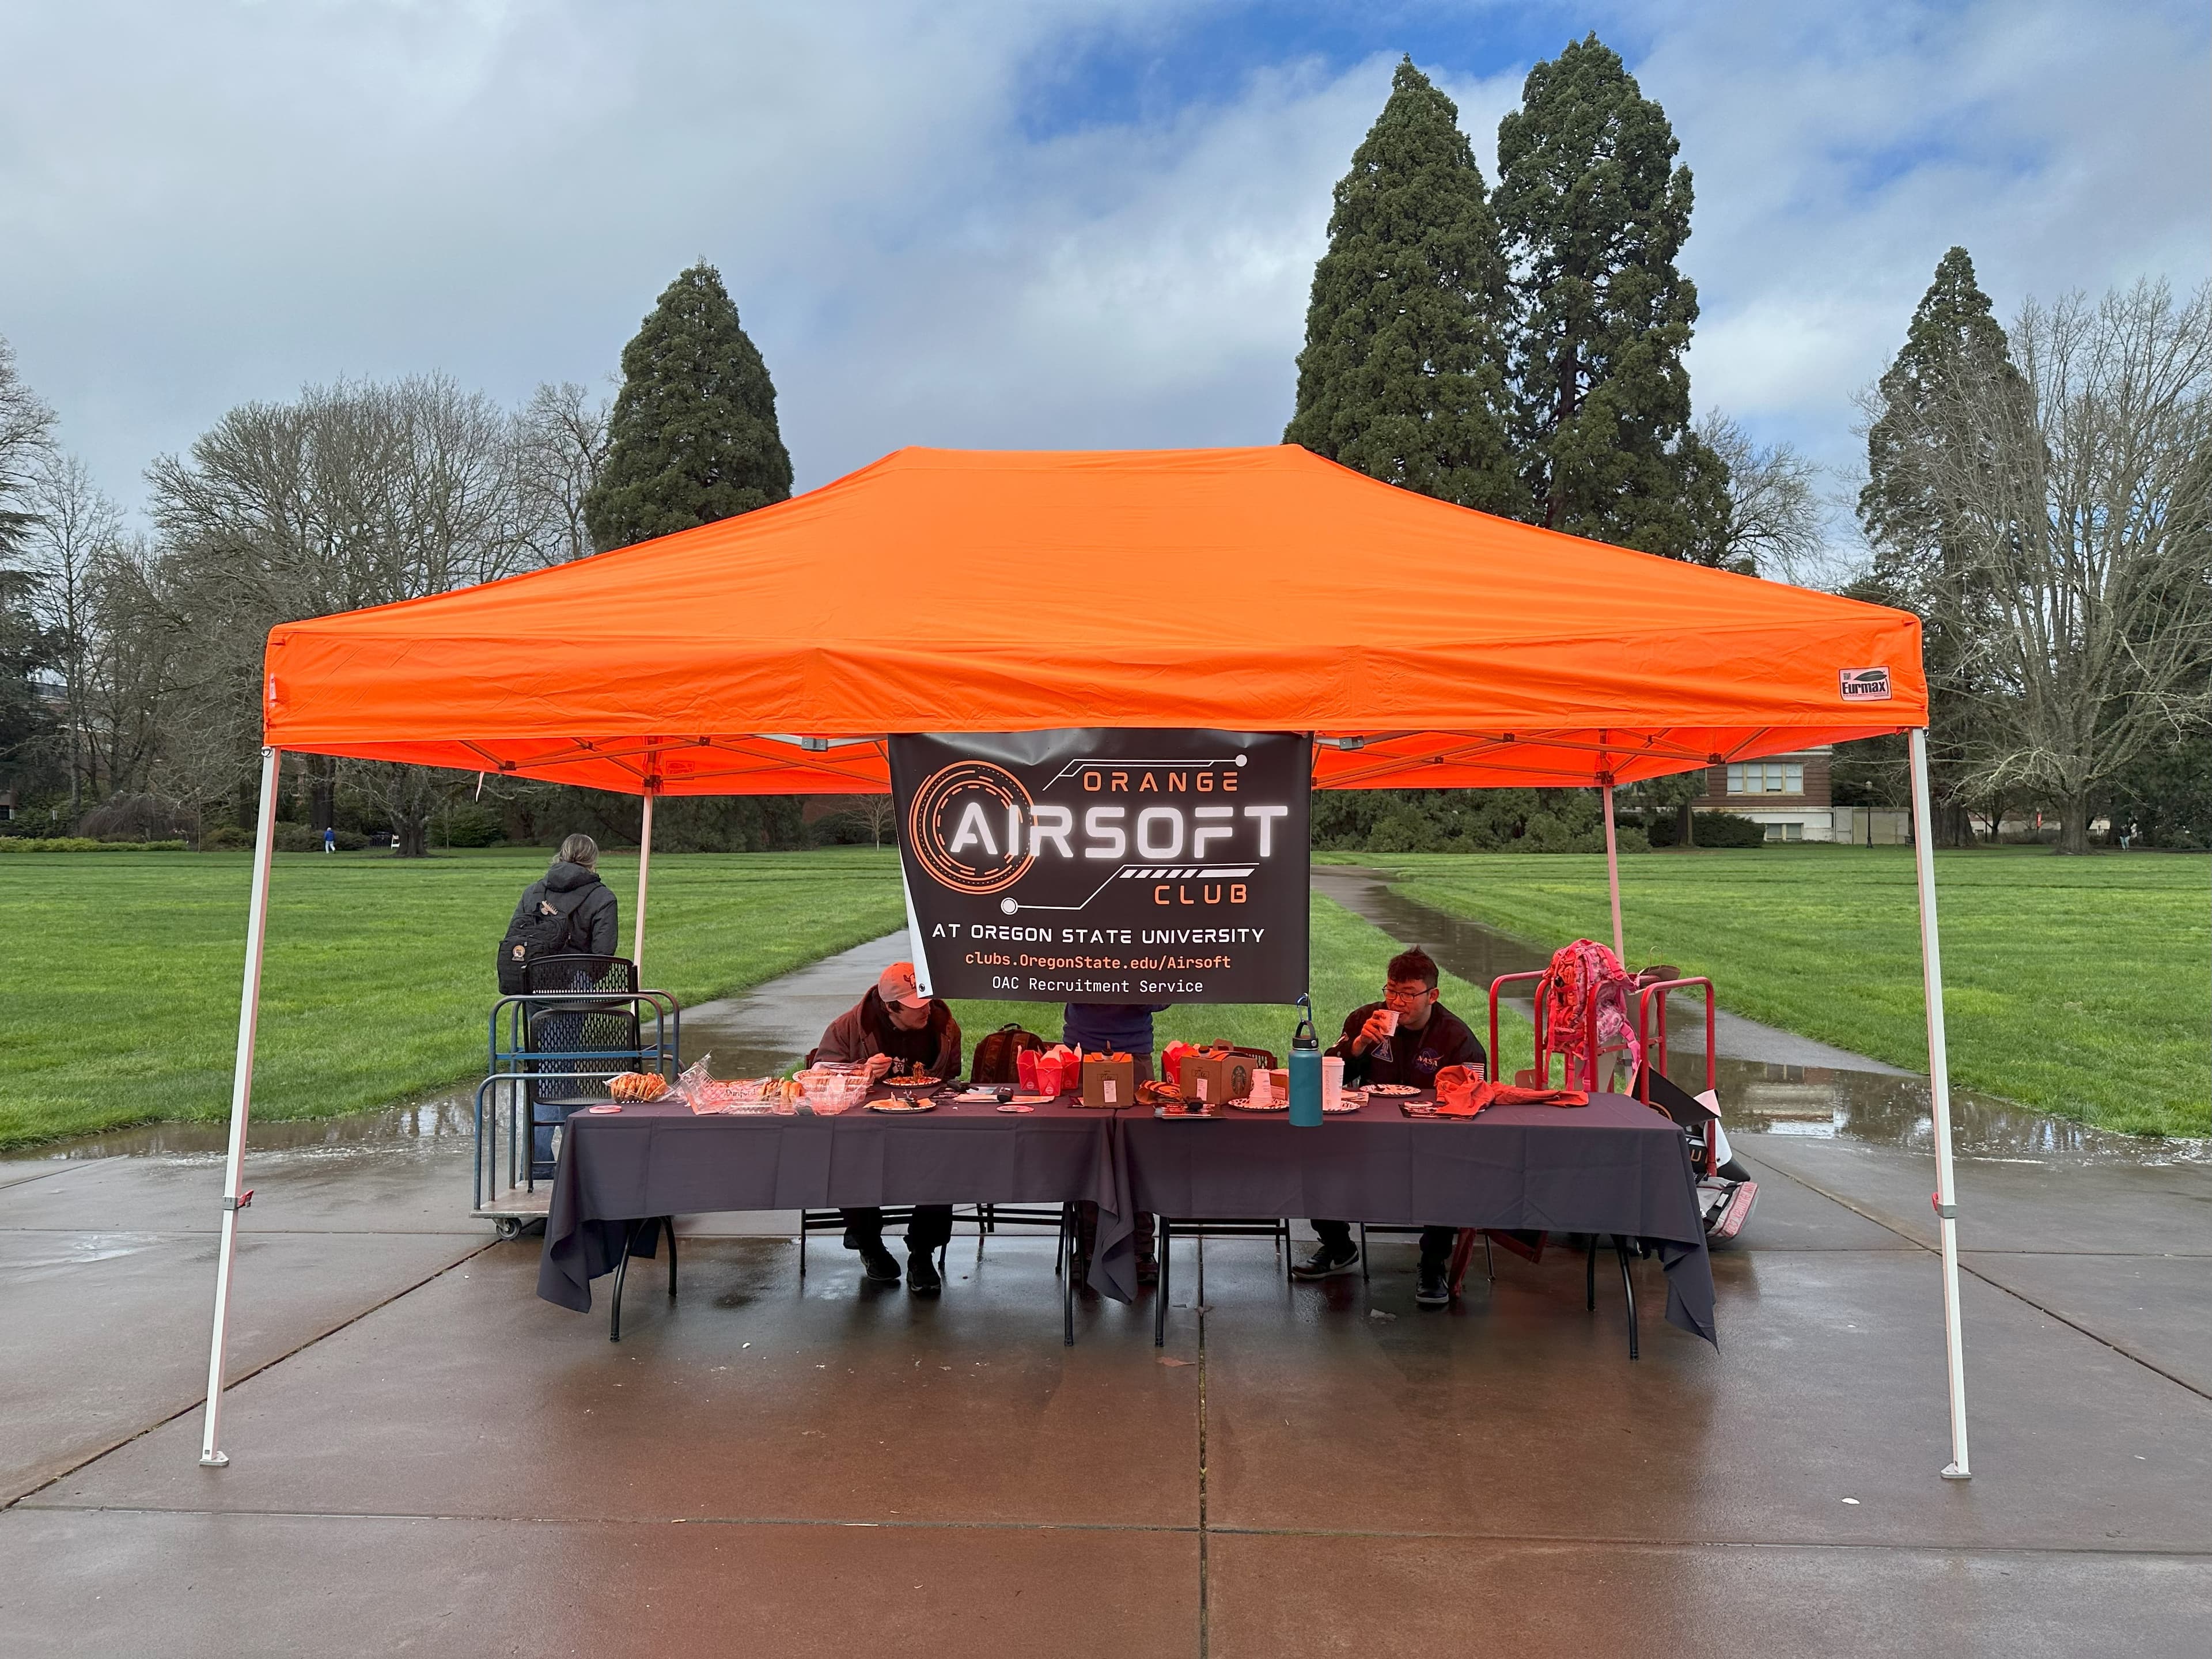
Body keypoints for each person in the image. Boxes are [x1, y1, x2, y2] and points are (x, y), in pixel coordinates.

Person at [1291, 947, 1486, 1308]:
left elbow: (1475, 1093)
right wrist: (1359, 1045)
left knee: (1450, 1170)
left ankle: (1432, 1266)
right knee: (1314, 1154)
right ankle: (1339, 1248)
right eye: (1391, 992)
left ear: (1433, 995)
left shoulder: (1456, 1037)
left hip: (1430, 1139)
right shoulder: (1365, 1019)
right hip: (1367, 1135)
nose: (1398, 1002)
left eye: (1409, 995)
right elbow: (1327, 1076)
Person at [815, 962, 962, 1295]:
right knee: (848, 1160)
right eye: (916, 1006)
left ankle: (922, 1253)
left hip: (926, 1121)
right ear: (890, 1007)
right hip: (866, 1125)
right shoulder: (848, 1027)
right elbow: (821, 1075)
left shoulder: (944, 1025)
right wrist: (861, 1071)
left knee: (946, 1162)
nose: (926, 1009)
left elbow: (951, 1074)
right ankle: (869, 1245)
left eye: (927, 1000)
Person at [1063, 1002, 1168, 1285]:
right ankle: (1087, 1249)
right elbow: (1051, 982)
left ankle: (1141, 1249)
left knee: (1138, 1154)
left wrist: (1131, 987)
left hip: (1134, 1054)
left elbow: (1164, 996)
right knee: (1085, 1153)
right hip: (1083, 1051)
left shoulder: (1150, 956)